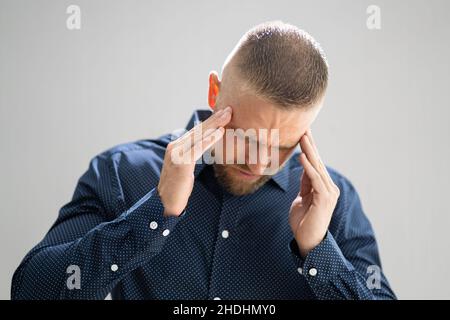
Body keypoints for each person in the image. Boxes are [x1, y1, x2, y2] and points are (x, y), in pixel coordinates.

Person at [11, 21, 396, 300]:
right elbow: (31, 292)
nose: (260, 164)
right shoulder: (123, 172)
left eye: (283, 146)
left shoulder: (334, 202)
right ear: (215, 91)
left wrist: (318, 252)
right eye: (247, 138)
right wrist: (155, 213)